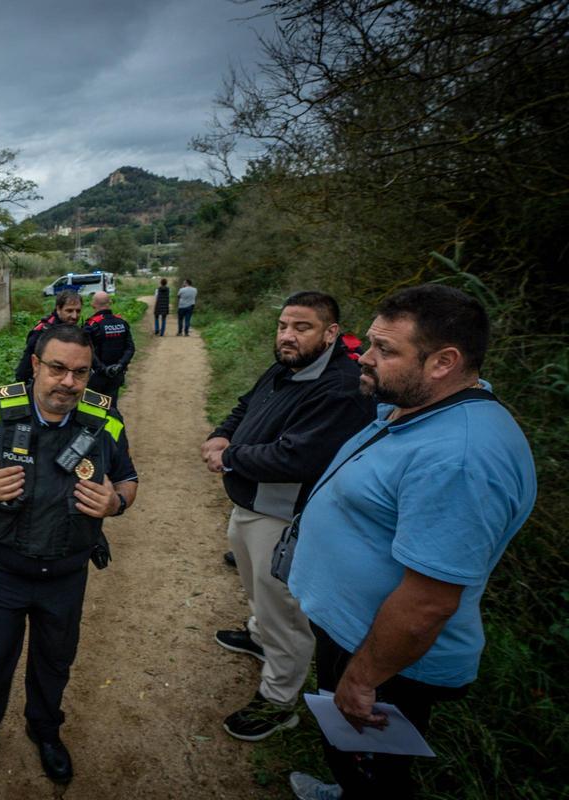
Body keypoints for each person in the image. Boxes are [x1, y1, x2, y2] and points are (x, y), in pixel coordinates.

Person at [287, 285, 536, 800]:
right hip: (357, 634)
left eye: (385, 349)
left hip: (386, 657)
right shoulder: (422, 407)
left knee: (373, 768)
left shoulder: (461, 459)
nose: (363, 356)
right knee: (349, 754)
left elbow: (428, 602)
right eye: (370, 342)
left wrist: (363, 678)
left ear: (444, 362)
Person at [0, 324, 138, 786]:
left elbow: (128, 479)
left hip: (66, 575)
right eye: (57, 368)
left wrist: (116, 503)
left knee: (54, 661)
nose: (68, 382)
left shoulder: (105, 420)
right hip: (2, 571)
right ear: (35, 365)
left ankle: (45, 731)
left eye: (80, 372)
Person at [202, 292, 375, 743]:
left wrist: (229, 457)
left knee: (285, 612)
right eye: (283, 326)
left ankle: (278, 702)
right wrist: (221, 435)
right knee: (256, 588)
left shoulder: (341, 387)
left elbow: (298, 457)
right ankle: (260, 638)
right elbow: (245, 406)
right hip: (251, 504)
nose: (287, 336)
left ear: (331, 333)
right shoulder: (289, 366)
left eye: (302, 327)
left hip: (284, 517)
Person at [15, 290, 83, 383]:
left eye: (78, 311)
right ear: (58, 309)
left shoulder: (73, 328)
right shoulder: (43, 331)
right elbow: (24, 370)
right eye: (69, 311)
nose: (74, 316)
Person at [83, 291, 135, 408]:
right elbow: (130, 348)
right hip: (117, 375)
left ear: (93, 304)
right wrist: (120, 365)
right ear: (110, 302)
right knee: (111, 407)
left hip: (97, 377)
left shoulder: (91, 325)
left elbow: (87, 351)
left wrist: (103, 369)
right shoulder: (122, 322)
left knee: (92, 408)